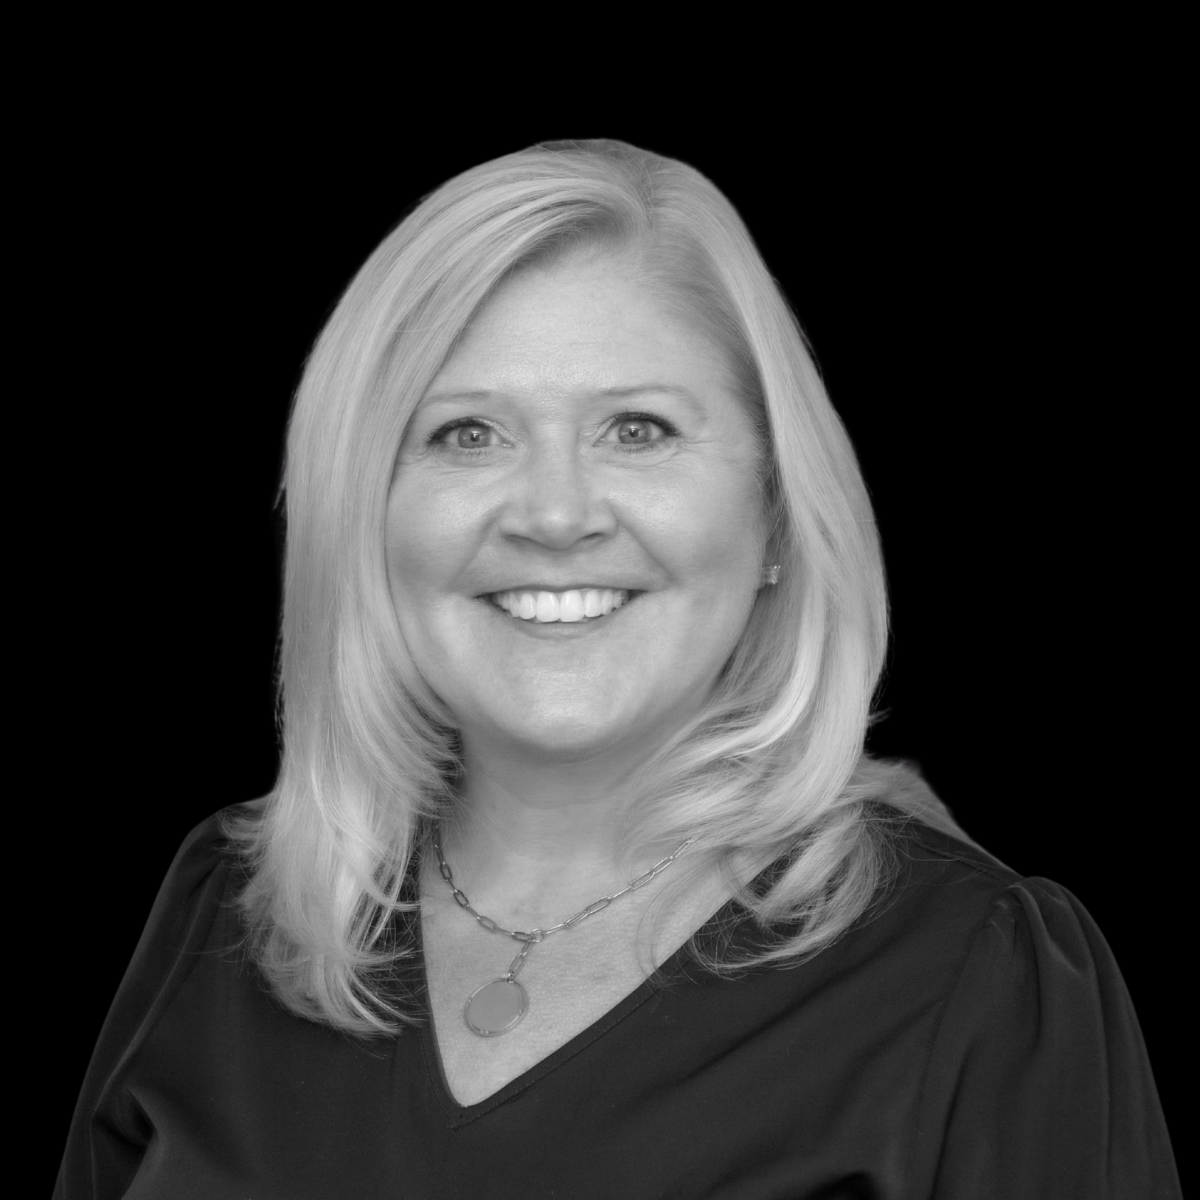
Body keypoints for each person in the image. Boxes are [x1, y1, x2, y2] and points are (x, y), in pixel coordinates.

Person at [55, 138, 1179, 1199]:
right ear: (365, 516)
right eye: (467, 434)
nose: (554, 514)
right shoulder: (227, 909)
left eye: (637, 429)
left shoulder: (978, 974)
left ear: (777, 511)